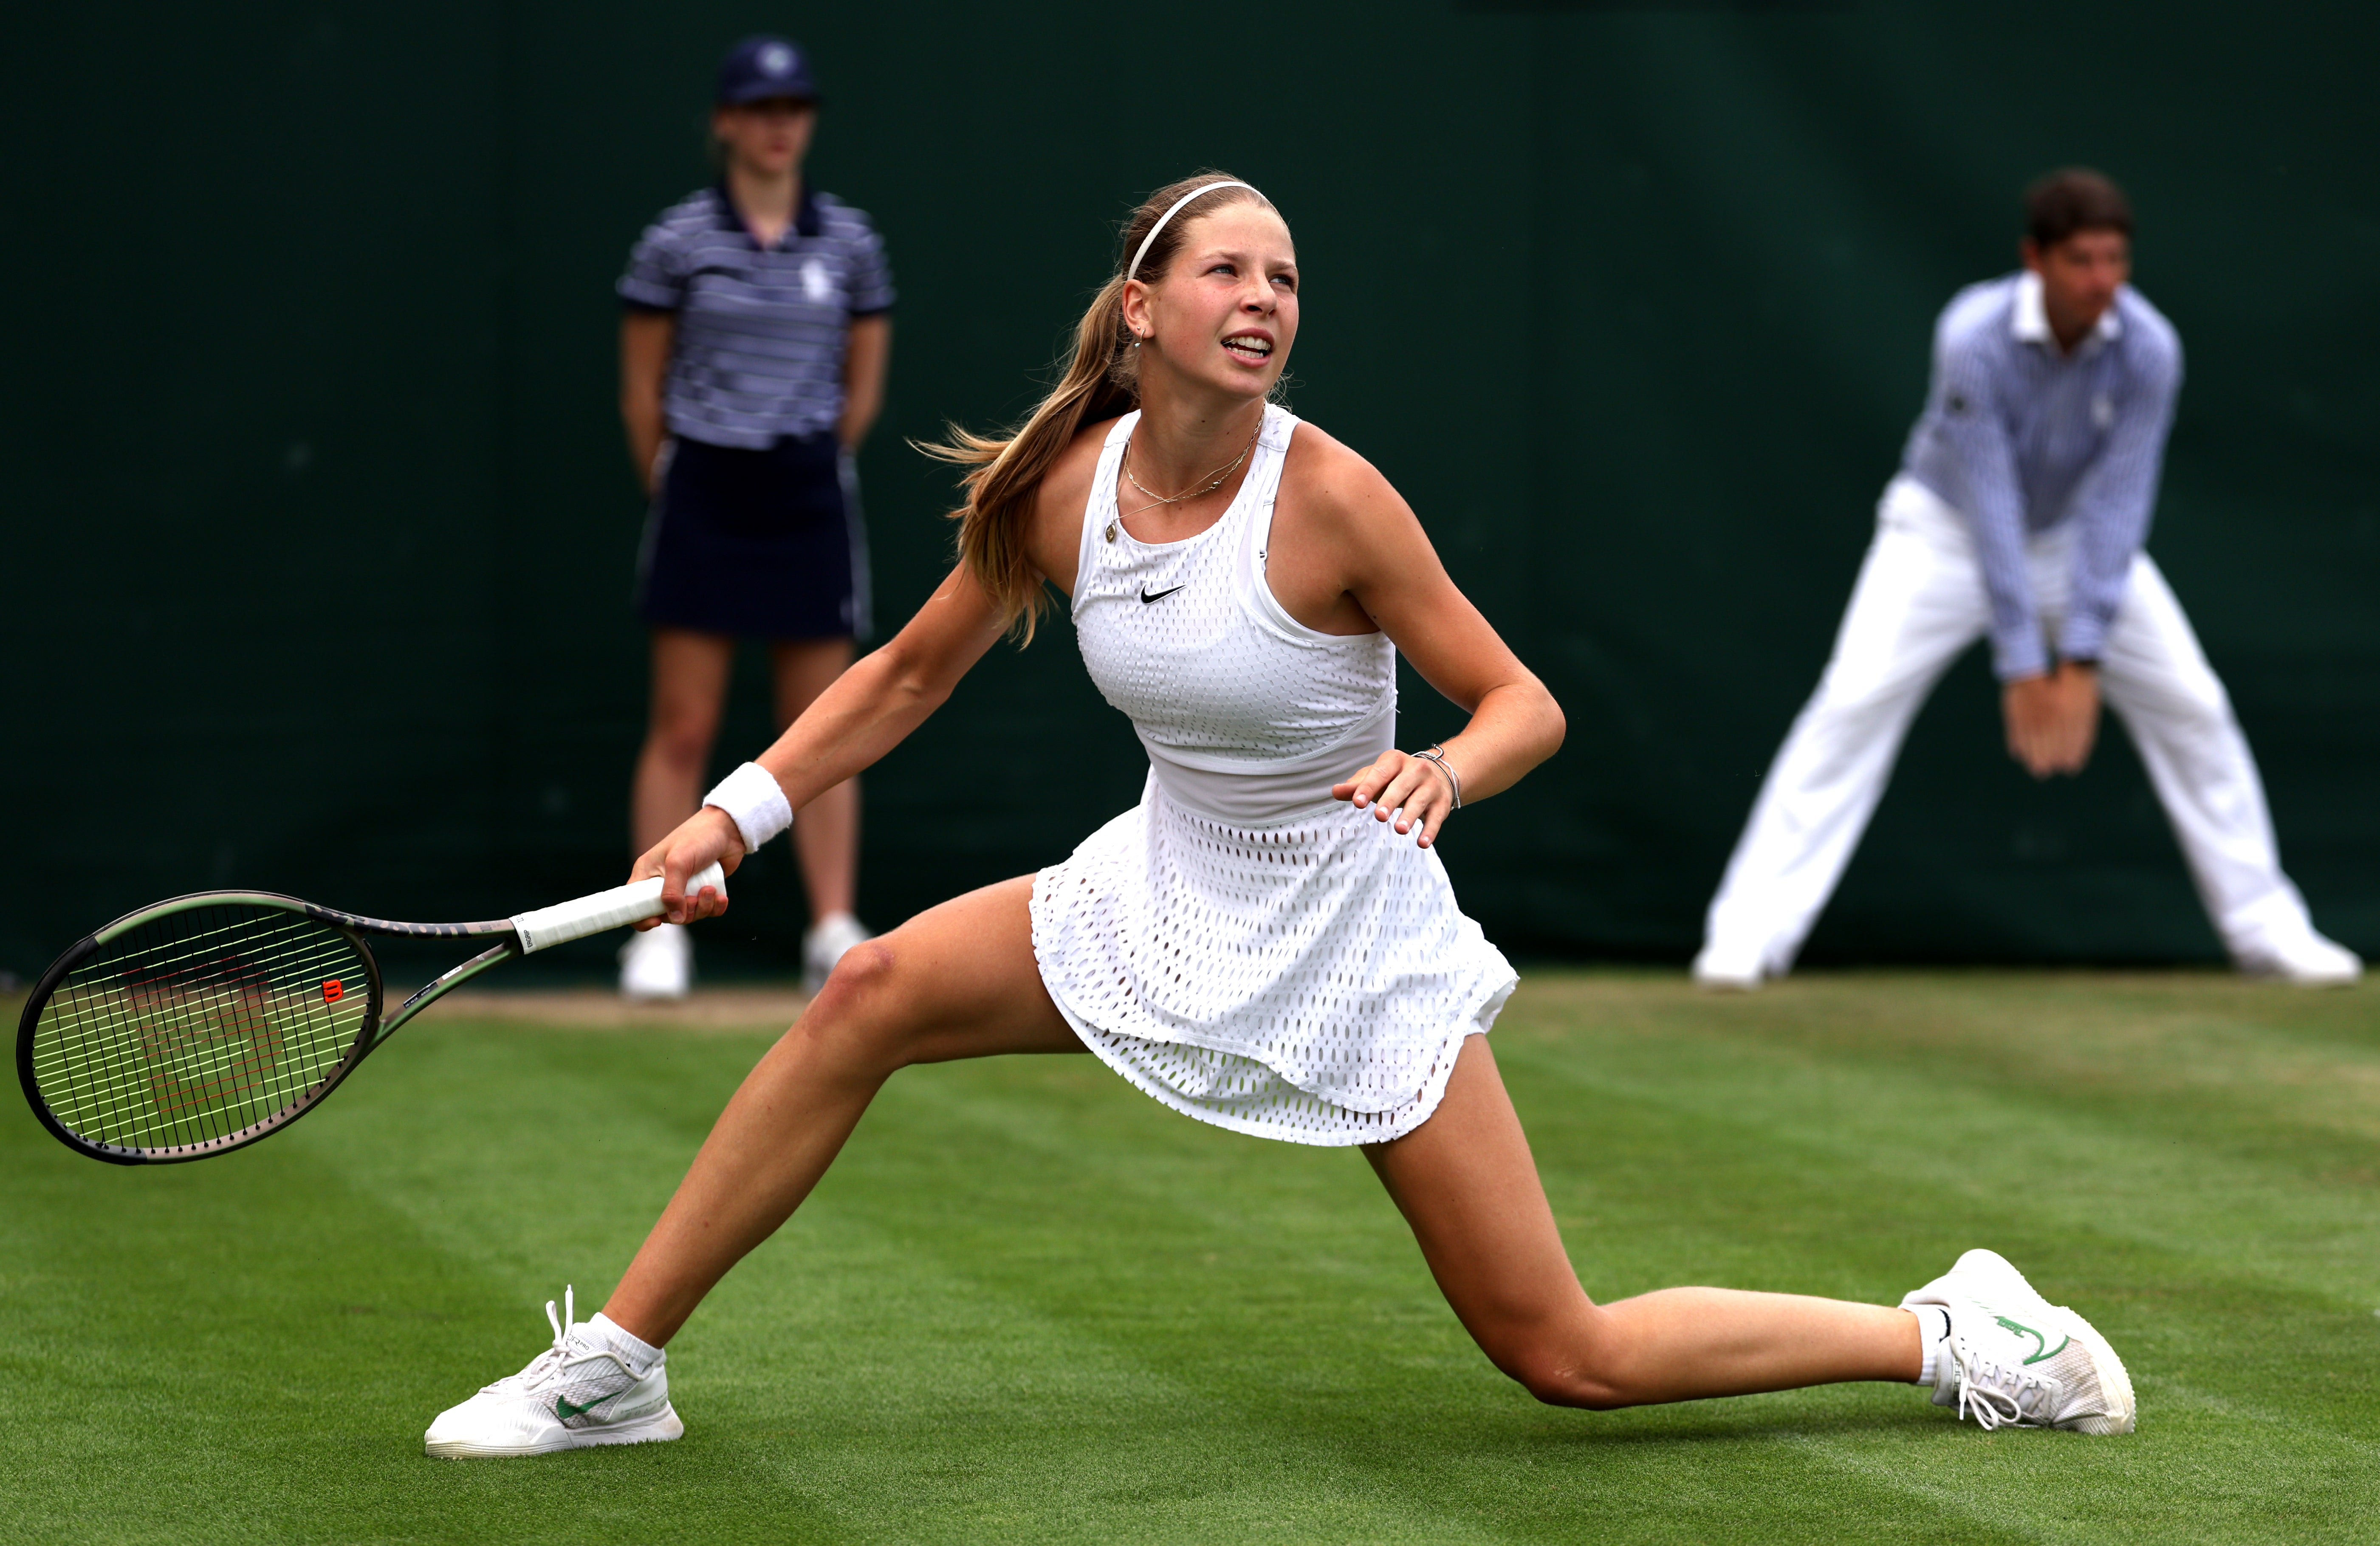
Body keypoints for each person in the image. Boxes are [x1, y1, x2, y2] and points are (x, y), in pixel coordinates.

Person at [423, 175, 2133, 1459]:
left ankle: (1956, 1329)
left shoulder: (1332, 499)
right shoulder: (1070, 485)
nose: (1264, 297)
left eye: (1287, 277)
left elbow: (1526, 700)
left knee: (1563, 1350)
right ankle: (619, 1367)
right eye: (1228, 269)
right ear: (1145, 307)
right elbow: (908, 673)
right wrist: (738, 807)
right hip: (1160, 886)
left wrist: (1445, 769)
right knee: (861, 996)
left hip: (1348, 934)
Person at [1694, 169, 2361, 990]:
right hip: (1942, 534)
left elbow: (2121, 504)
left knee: (2195, 704)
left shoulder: (2150, 349)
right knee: (1852, 701)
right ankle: (1748, 937)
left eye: (2116, 260)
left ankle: (2268, 931)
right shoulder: (1973, 336)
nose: (2101, 281)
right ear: (2035, 260)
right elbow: (1993, 504)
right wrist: (2023, 663)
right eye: (2082, 260)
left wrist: (2079, 657)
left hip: (2078, 541)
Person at [614, 35, 893, 999]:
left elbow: (861, 390)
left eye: (795, 109)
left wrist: (802, 452)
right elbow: (641, 390)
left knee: (823, 722)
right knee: (684, 723)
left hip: (808, 490)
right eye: (761, 109)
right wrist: (688, 472)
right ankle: (653, 921)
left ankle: (831, 925)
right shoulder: (676, 241)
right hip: (703, 489)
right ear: (728, 123)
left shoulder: (850, 244)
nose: (780, 127)